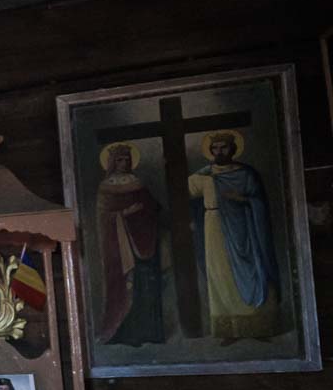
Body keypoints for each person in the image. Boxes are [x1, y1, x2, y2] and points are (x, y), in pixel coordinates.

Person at [187, 130, 282, 343]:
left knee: (252, 270)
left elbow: (259, 202)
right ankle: (230, 329)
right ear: (211, 150)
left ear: (233, 148)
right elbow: (182, 194)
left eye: (224, 147)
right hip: (215, 227)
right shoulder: (203, 175)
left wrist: (242, 199)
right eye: (216, 148)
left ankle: (259, 326)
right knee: (220, 275)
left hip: (246, 229)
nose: (220, 151)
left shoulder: (246, 174)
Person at [93, 142, 165, 344]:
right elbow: (103, 216)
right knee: (122, 286)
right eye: (120, 159)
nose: (124, 163)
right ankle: (123, 332)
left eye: (127, 159)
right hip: (119, 246)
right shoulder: (106, 188)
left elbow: (153, 208)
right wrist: (124, 214)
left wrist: (143, 212)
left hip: (142, 241)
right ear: (112, 163)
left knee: (145, 286)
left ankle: (147, 332)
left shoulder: (137, 182)